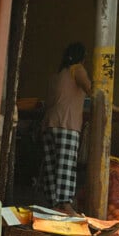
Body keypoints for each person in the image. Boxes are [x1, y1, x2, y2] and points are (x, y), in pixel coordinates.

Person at [41, 42, 92, 217]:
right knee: (66, 166)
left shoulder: (57, 75)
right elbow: (91, 90)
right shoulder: (77, 69)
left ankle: (53, 204)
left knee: (52, 166)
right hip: (67, 124)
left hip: (49, 124)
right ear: (82, 58)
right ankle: (66, 206)